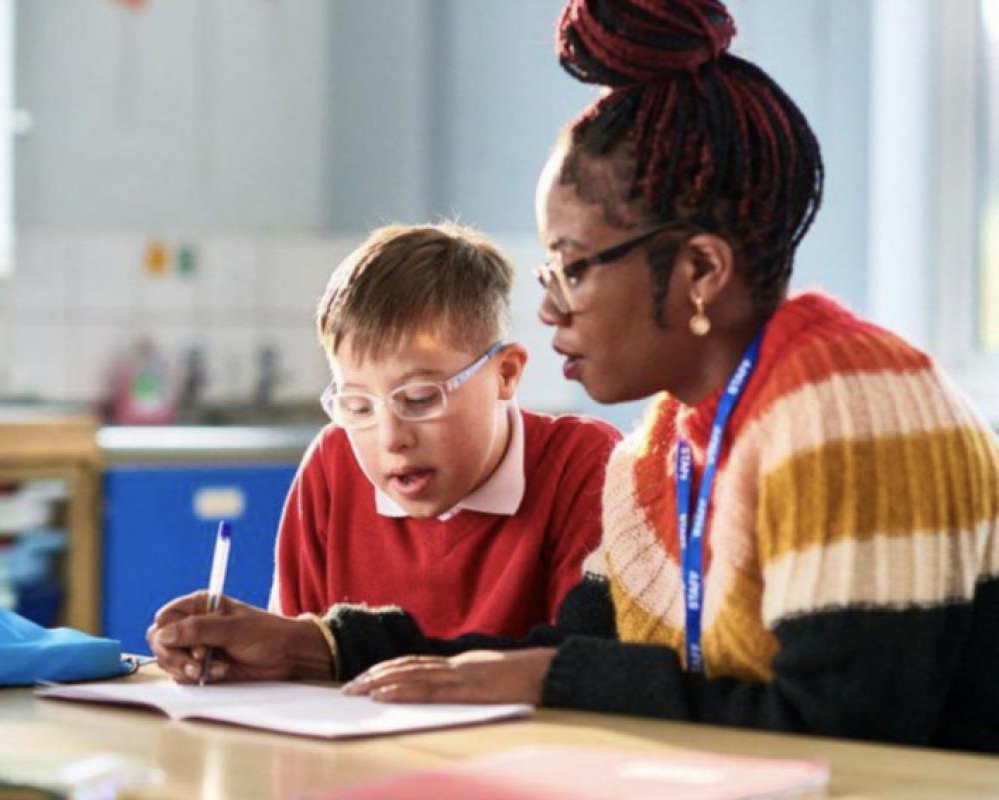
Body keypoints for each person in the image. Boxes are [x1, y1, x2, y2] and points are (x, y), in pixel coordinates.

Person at [147, 0, 999, 753]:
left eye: (573, 267)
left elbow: (842, 738)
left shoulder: (850, 410)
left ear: (701, 269)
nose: (549, 308)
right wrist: (315, 648)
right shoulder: (659, 452)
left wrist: (545, 681)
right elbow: (550, 655)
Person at [266, 222, 621, 640]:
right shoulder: (333, 463)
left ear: (504, 373)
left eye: (419, 399)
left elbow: (582, 666)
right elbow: (291, 656)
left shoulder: (582, 464)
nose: (389, 439)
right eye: (358, 406)